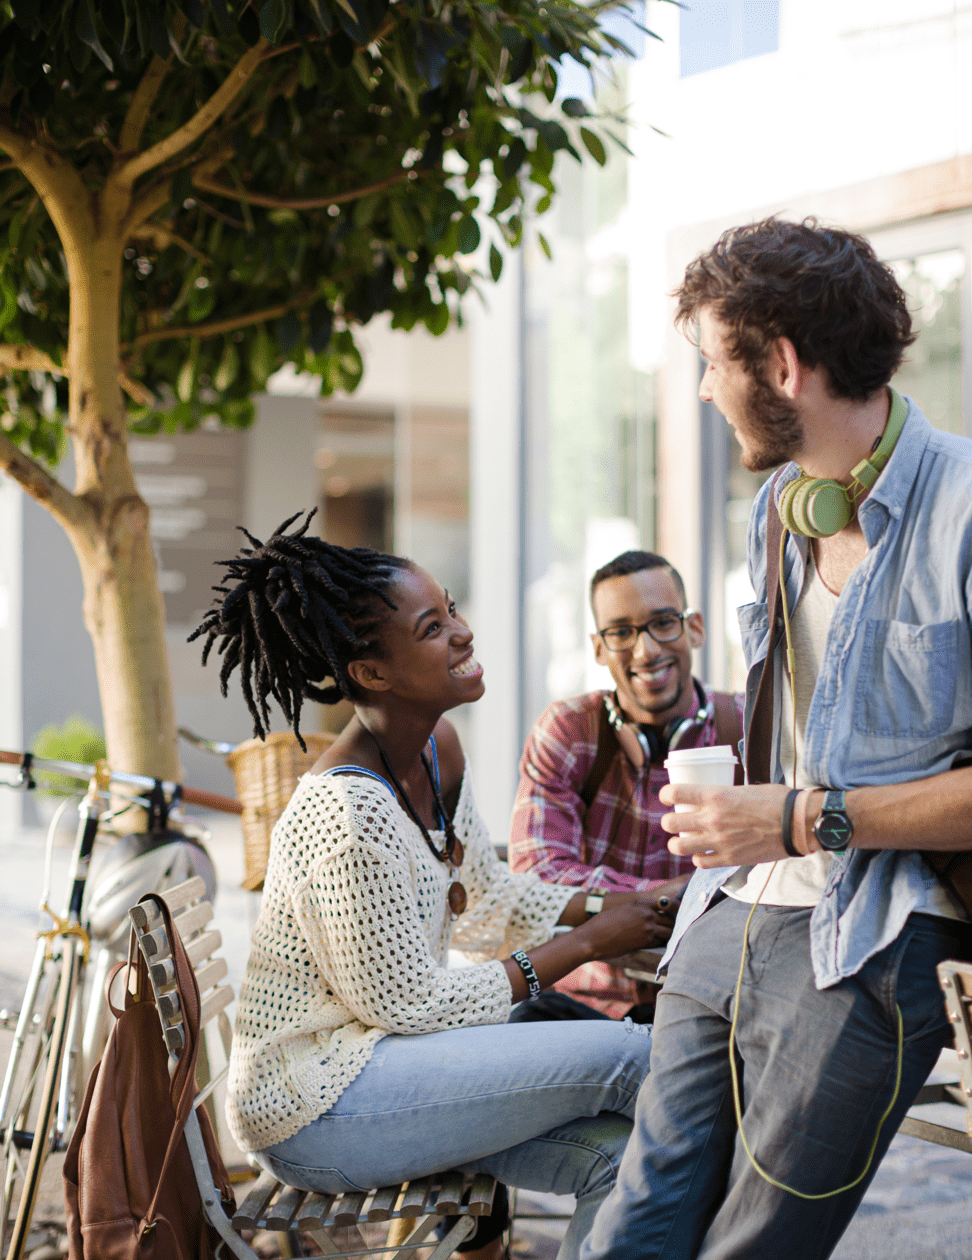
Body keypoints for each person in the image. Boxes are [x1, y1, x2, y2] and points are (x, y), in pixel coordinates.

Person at [582, 217, 972, 1260]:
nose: (706, 390)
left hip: (875, 938)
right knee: (637, 1221)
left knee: (751, 1246)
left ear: (784, 366)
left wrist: (802, 819)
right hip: (734, 911)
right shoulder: (777, 511)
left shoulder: (968, 509)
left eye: (713, 363)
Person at [190, 512, 670, 1260]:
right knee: (636, 1058)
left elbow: (490, 902)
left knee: (621, 1157)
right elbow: (410, 1005)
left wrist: (616, 908)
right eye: (431, 627)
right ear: (372, 674)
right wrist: (587, 943)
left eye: (451, 609)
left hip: (390, 1075)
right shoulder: (346, 813)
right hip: (318, 1111)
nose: (463, 632)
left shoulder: (438, 752)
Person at [509, 550, 744, 1019]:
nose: (646, 650)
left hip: (708, 1005)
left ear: (694, 627)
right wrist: (671, 893)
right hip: (581, 1000)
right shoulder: (568, 730)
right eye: (621, 632)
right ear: (599, 648)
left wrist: (627, 900)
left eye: (663, 623)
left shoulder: (747, 724)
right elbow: (538, 874)